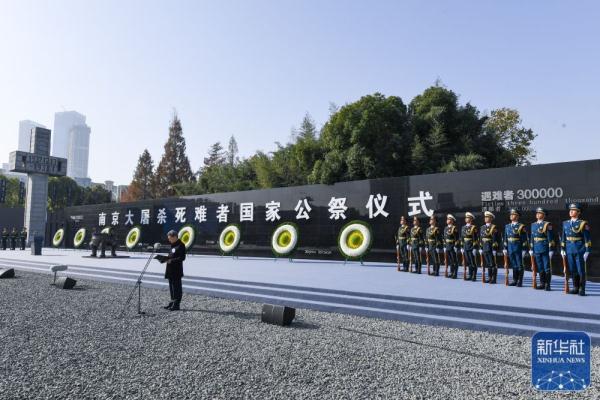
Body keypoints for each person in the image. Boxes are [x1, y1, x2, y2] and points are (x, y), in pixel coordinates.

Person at [561, 203, 591, 296]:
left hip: (579, 249)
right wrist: (562, 248)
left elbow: (587, 238)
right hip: (569, 249)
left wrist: (587, 250)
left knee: (580, 270)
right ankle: (575, 287)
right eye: (570, 210)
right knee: (573, 269)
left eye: (573, 210)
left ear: (578, 212)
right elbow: (563, 237)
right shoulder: (565, 223)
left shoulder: (582, 223)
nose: (571, 211)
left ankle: (582, 289)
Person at [530, 207, 555, 291]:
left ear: (544, 215)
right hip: (536, 248)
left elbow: (550, 238)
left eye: (540, 213)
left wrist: (551, 249)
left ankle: (548, 284)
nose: (537, 214)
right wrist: (531, 248)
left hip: (544, 248)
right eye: (537, 213)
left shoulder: (547, 224)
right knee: (540, 267)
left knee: (546, 267)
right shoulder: (533, 224)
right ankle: (542, 283)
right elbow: (532, 237)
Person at [503, 209, 529, 287]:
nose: (511, 216)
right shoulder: (507, 226)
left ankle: (520, 281)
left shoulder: (521, 226)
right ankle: (515, 280)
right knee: (513, 264)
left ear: (517, 216)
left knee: (519, 265)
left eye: (513, 214)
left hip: (518, 247)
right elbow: (505, 238)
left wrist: (524, 249)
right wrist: (505, 247)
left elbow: (524, 239)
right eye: (511, 214)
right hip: (510, 247)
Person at [164, 230, 186, 311]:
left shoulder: (181, 245)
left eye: (170, 238)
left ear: (175, 237)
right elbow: (171, 256)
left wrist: (171, 260)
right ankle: (172, 302)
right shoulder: (172, 245)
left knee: (177, 288)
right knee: (171, 288)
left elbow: (182, 258)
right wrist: (165, 259)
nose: (169, 240)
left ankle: (176, 305)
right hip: (170, 270)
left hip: (176, 271)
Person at [479, 211, 501, 284]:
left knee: (493, 264)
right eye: (485, 217)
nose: (485, 218)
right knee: (488, 263)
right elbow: (481, 238)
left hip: (491, 247)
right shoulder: (482, 227)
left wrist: (495, 249)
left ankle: (494, 279)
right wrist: (481, 247)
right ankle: (489, 277)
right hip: (485, 247)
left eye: (487, 217)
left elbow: (496, 239)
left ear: (491, 218)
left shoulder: (494, 227)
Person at [460, 212, 479, 281]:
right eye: (466, 217)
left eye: (467, 218)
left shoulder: (473, 228)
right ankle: (470, 275)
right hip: (465, 246)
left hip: (471, 246)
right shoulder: (463, 227)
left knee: (473, 262)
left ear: (471, 219)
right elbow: (462, 238)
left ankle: (474, 275)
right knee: (468, 262)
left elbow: (475, 239)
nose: (466, 219)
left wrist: (474, 248)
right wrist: (462, 247)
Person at [443, 214, 460, 279]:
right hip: (447, 246)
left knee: (454, 260)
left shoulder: (454, 228)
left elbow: (457, 238)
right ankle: (451, 272)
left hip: (452, 246)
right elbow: (444, 238)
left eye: (449, 219)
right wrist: (444, 246)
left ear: (452, 221)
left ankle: (455, 273)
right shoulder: (446, 228)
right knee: (450, 261)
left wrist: (456, 246)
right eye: (447, 219)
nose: (447, 220)